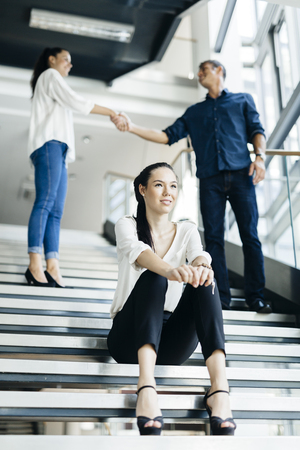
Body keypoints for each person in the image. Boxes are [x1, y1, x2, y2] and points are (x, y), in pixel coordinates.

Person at [111, 60, 272, 314]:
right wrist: (131, 127)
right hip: (209, 180)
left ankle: (256, 297)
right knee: (214, 239)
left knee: (250, 237)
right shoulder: (194, 112)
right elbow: (166, 136)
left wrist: (260, 157)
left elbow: (257, 130)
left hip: (242, 175)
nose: (199, 75)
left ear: (220, 71)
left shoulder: (243, 100)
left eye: (204, 70)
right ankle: (220, 298)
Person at [107, 162, 236, 436]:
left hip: (170, 342)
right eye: (158, 185)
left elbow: (199, 253)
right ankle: (146, 387)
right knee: (155, 277)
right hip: (128, 336)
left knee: (205, 279)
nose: (168, 192)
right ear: (142, 190)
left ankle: (220, 390)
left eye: (173, 186)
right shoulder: (126, 225)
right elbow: (139, 253)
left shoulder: (187, 229)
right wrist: (170, 270)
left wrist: (200, 266)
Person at [26, 47, 127, 288]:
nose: (70, 65)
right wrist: (111, 112)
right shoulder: (50, 76)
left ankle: (53, 265)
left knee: (56, 211)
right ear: (52, 60)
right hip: (48, 145)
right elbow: (77, 101)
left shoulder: (52, 82)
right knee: (45, 203)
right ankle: (34, 263)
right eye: (66, 60)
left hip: (59, 149)